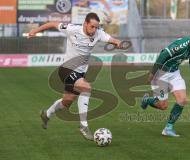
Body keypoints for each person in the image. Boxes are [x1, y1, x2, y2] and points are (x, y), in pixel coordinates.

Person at [28, 12, 121, 141]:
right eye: (92, 26)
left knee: (66, 102)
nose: (94, 30)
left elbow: (112, 39)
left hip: (80, 72)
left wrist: (118, 43)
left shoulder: (98, 33)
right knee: (86, 88)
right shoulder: (72, 29)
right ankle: (84, 126)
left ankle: (47, 114)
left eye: (96, 27)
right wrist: (35, 30)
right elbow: (52, 24)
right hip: (66, 69)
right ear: (85, 23)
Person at [141, 30, 190, 137]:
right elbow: (163, 55)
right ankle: (147, 100)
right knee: (163, 106)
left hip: (174, 73)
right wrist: (152, 73)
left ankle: (168, 128)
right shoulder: (181, 45)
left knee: (182, 100)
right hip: (161, 74)